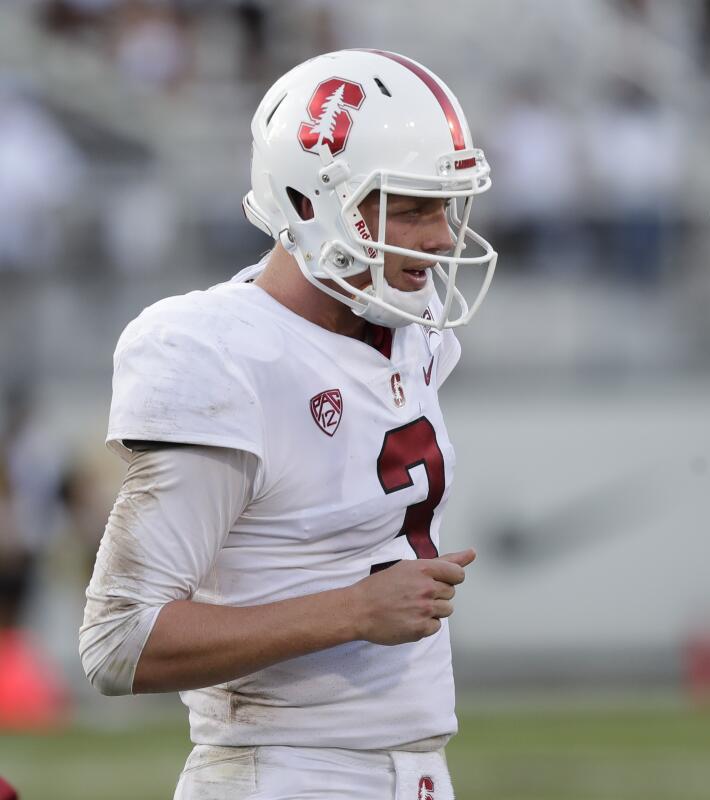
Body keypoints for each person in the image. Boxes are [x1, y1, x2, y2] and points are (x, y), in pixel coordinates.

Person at [79, 49, 498, 799]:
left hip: (413, 771)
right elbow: (120, 642)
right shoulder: (219, 351)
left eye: (445, 206)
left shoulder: (409, 321)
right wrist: (354, 610)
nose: (438, 239)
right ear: (312, 204)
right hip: (287, 771)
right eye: (408, 205)